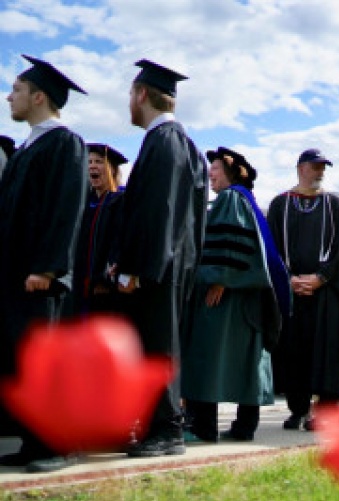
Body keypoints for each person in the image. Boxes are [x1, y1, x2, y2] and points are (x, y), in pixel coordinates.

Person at [114, 60, 208, 457]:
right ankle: (155, 425)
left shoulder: (166, 140)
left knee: (160, 346)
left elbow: (160, 210)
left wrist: (136, 267)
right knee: (154, 345)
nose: (128, 104)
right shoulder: (177, 142)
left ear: (140, 94)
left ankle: (167, 430)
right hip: (167, 263)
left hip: (160, 267)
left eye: (129, 96)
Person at [0, 55, 87, 473]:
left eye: (15, 90)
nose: (9, 97)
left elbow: (65, 210)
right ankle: (35, 442)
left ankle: (60, 444)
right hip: (16, 277)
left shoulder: (64, 142)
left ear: (38, 96)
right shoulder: (28, 146)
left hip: (40, 278)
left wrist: (49, 267)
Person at [182, 147, 287, 442]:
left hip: (224, 296)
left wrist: (220, 278)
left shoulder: (230, 199)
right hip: (246, 298)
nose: (210, 174)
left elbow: (229, 245)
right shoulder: (246, 200)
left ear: (229, 172)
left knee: (208, 355)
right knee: (248, 360)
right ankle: (244, 427)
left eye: (214, 168)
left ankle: (203, 427)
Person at [267, 148, 339, 431]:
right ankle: (298, 409)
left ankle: (327, 412)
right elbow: (272, 249)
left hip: (325, 291)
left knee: (327, 351)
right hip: (293, 292)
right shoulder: (280, 204)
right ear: (301, 168)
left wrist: (321, 277)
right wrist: (289, 279)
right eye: (315, 167)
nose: (320, 172)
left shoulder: (333, 204)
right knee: (294, 350)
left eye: (323, 168)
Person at [71, 144, 127, 315]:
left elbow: (121, 240)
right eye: (89, 162)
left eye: (99, 161)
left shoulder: (121, 201)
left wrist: (106, 277)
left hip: (106, 288)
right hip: (80, 284)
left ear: (112, 169)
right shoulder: (83, 203)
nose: (92, 166)